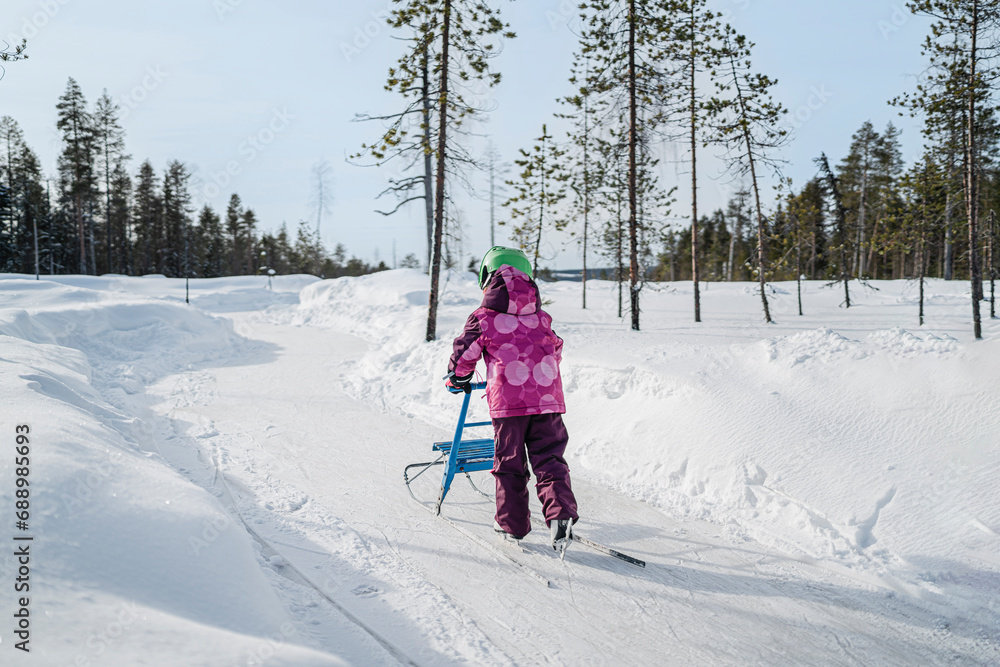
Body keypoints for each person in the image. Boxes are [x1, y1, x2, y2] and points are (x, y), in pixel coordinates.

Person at [445, 246, 579, 551]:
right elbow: (555, 347)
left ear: (487, 277)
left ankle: (512, 525)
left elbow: (464, 354)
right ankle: (560, 514)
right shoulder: (541, 316)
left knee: (510, 462)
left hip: (509, 403)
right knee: (550, 458)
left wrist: (458, 377)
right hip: (546, 399)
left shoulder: (483, 317)